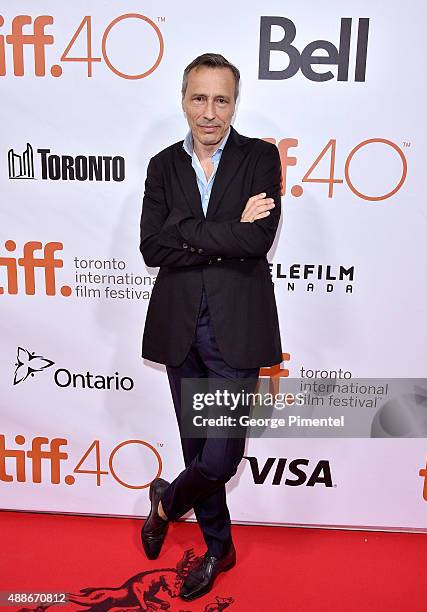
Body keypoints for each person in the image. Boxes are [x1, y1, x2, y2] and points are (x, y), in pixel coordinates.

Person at [139, 52, 283, 602]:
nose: (209, 111)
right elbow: (153, 247)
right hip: (179, 328)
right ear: (183, 100)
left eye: (221, 99)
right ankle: (219, 548)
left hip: (235, 329)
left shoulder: (259, 158)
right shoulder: (162, 165)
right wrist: (222, 229)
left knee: (220, 459)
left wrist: (187, 231)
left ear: (234, 103)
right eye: (199, 98)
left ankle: (165, 503)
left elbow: (256, 242)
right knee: (197, 448)